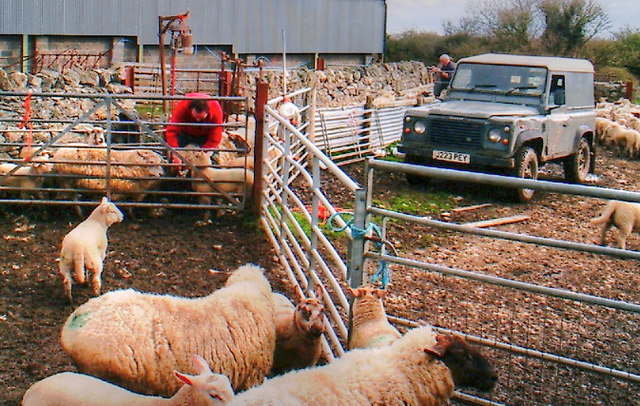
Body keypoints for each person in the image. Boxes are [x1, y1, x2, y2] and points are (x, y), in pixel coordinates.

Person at [164, 92, 224, 166]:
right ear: (191, 109)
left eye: (201, 118)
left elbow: (216, 136)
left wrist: (203, 153)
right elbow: (172, 131)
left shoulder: (215, 109)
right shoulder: (183, 106)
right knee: (174, 163)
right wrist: (175, 154)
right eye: (195, 117)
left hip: (205, 136)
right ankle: (172, 175)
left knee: (211, 162)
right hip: (185, 134)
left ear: (208, 112)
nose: (198, 120)